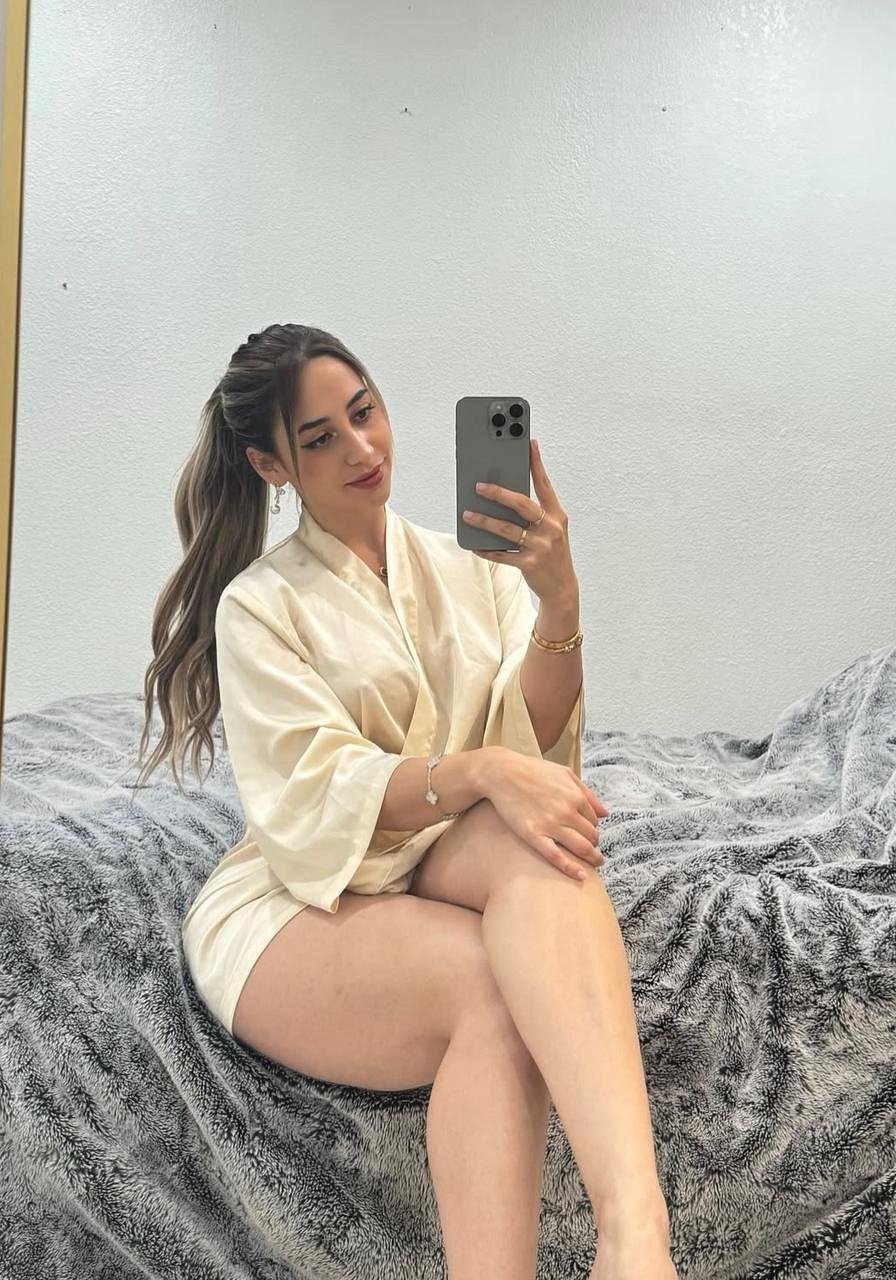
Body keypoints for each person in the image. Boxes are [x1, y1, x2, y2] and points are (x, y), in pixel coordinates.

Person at [135, 324, 679, 1280]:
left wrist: (559, 606)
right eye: (320, 438)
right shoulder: (259, 607)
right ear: (271, 465)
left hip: (434, 851)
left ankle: (636, 1241)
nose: (362, 448)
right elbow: (320, 790)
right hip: (301, 895)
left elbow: (533, 754)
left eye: (366, 412)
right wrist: (480, 773)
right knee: (494, 988)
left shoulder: (472, 568)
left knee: (544, 843)